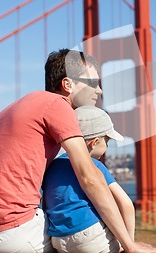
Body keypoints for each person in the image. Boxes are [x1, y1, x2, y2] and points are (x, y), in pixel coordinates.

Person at [0, 49, 156, 253]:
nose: (99, 90)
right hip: (10, 234)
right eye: (93, 82)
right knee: (92, 241)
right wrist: (130, 245)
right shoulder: (57, 106)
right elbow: (90, 178)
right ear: (67, 84)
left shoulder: (21, 105)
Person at [43, 106, 134, 253]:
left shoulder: (53, 166)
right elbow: (126, 204)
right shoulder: (94, 165)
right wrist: (129, 244)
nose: (107, 147)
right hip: (89, 235)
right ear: (95, 142)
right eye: (107, 142)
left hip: (58, 238)